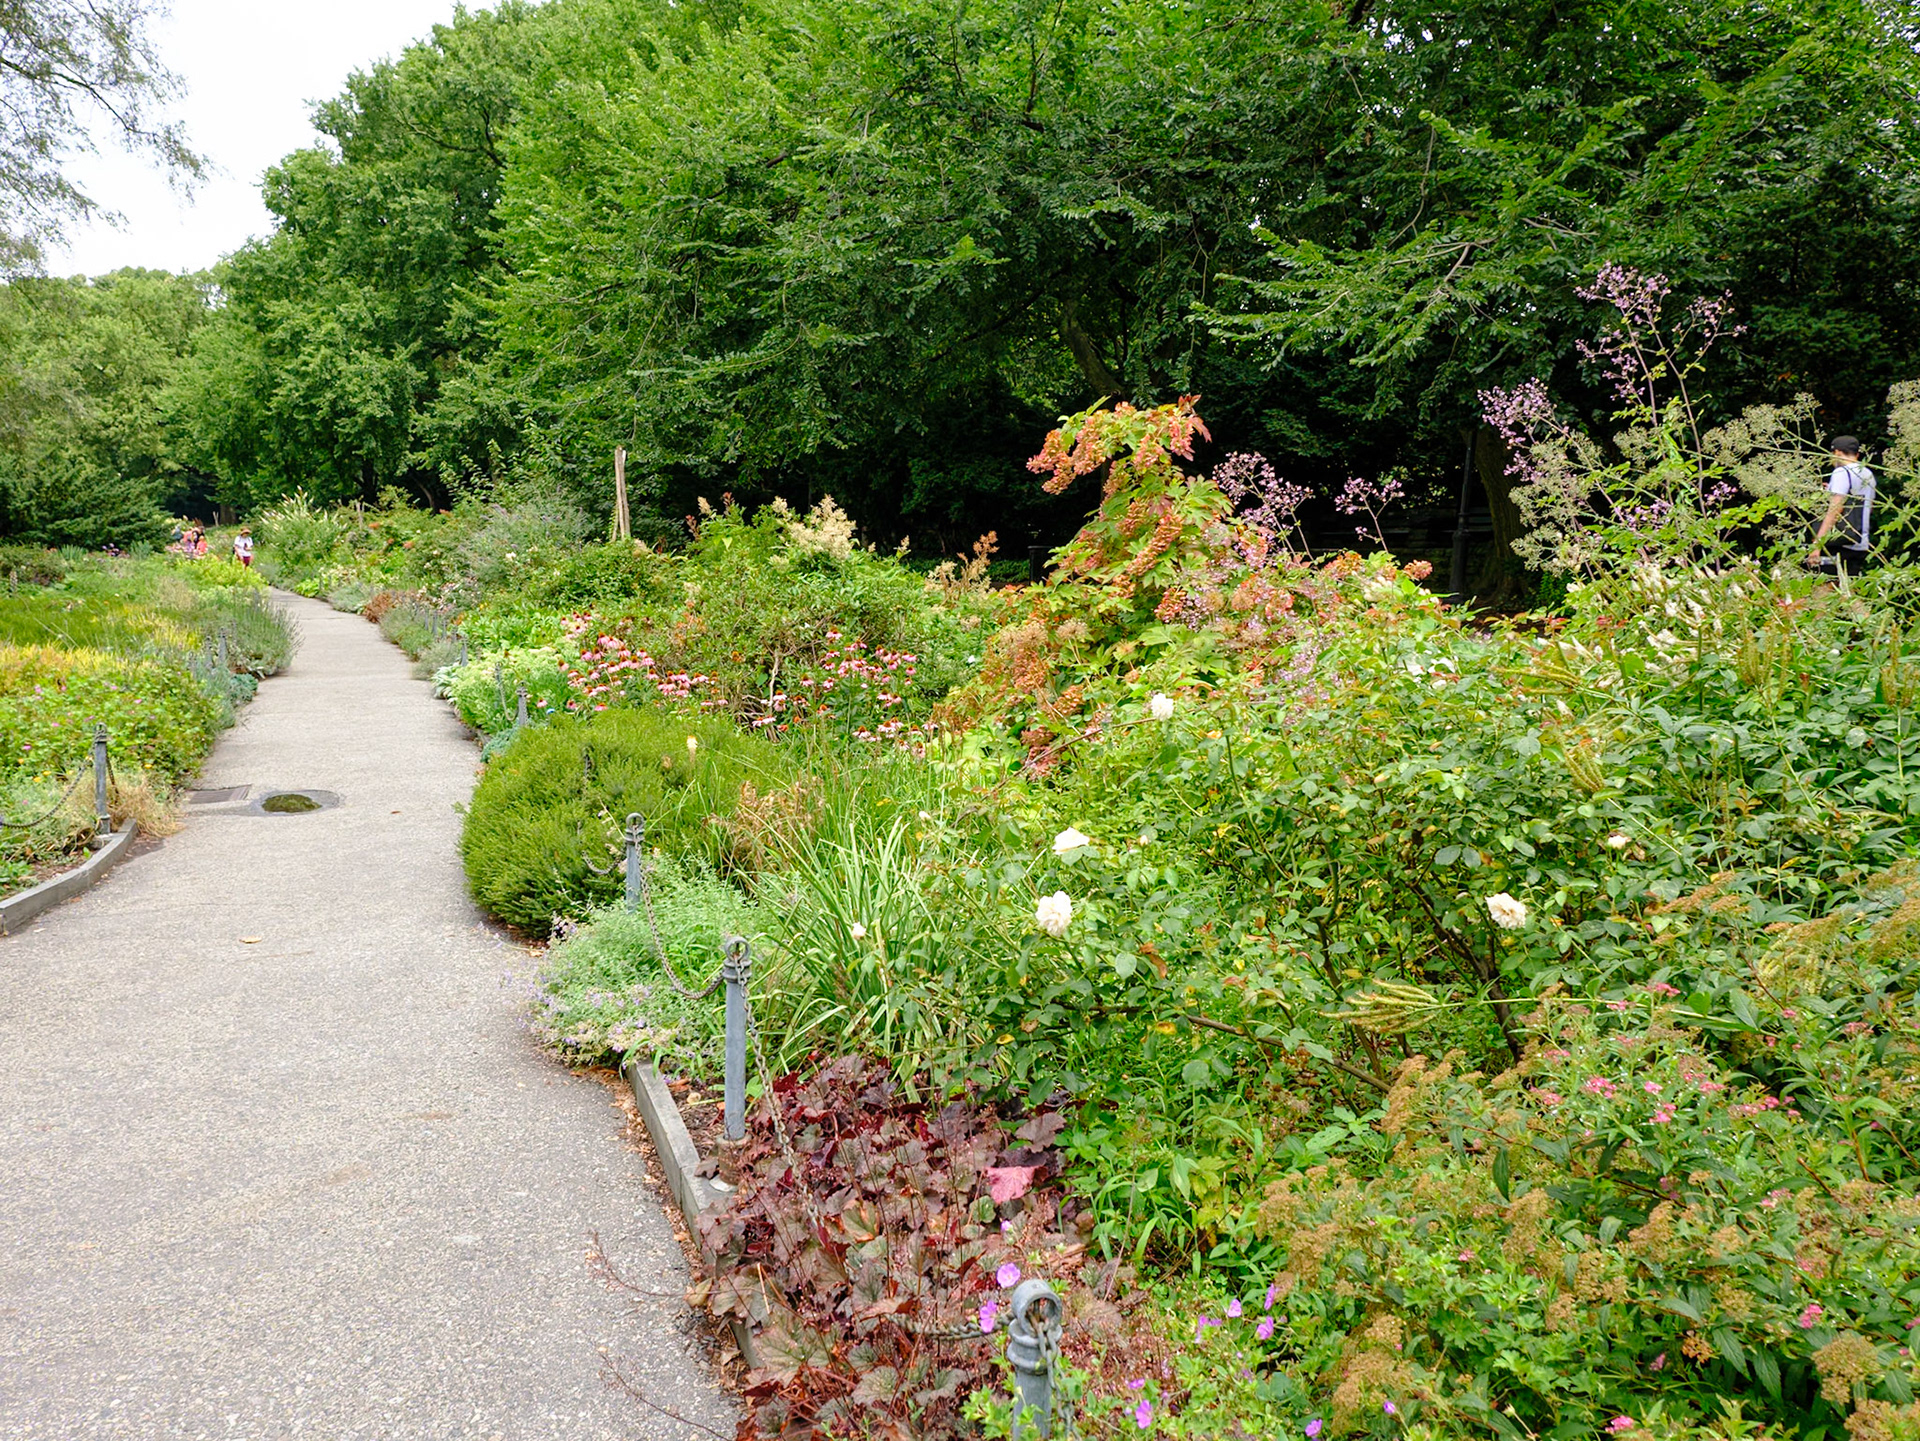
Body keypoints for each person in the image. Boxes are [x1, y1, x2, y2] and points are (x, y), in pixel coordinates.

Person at [1808, 436, 1877, 580]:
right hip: (1860, 543)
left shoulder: (1841, 472)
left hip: (1839, 543)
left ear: (1837, 453)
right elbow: (1868, 508)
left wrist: (1817, 545)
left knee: (1824, 592)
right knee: (1850, 592)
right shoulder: (1867, 473)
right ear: (1857, 454)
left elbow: (1835, 509)